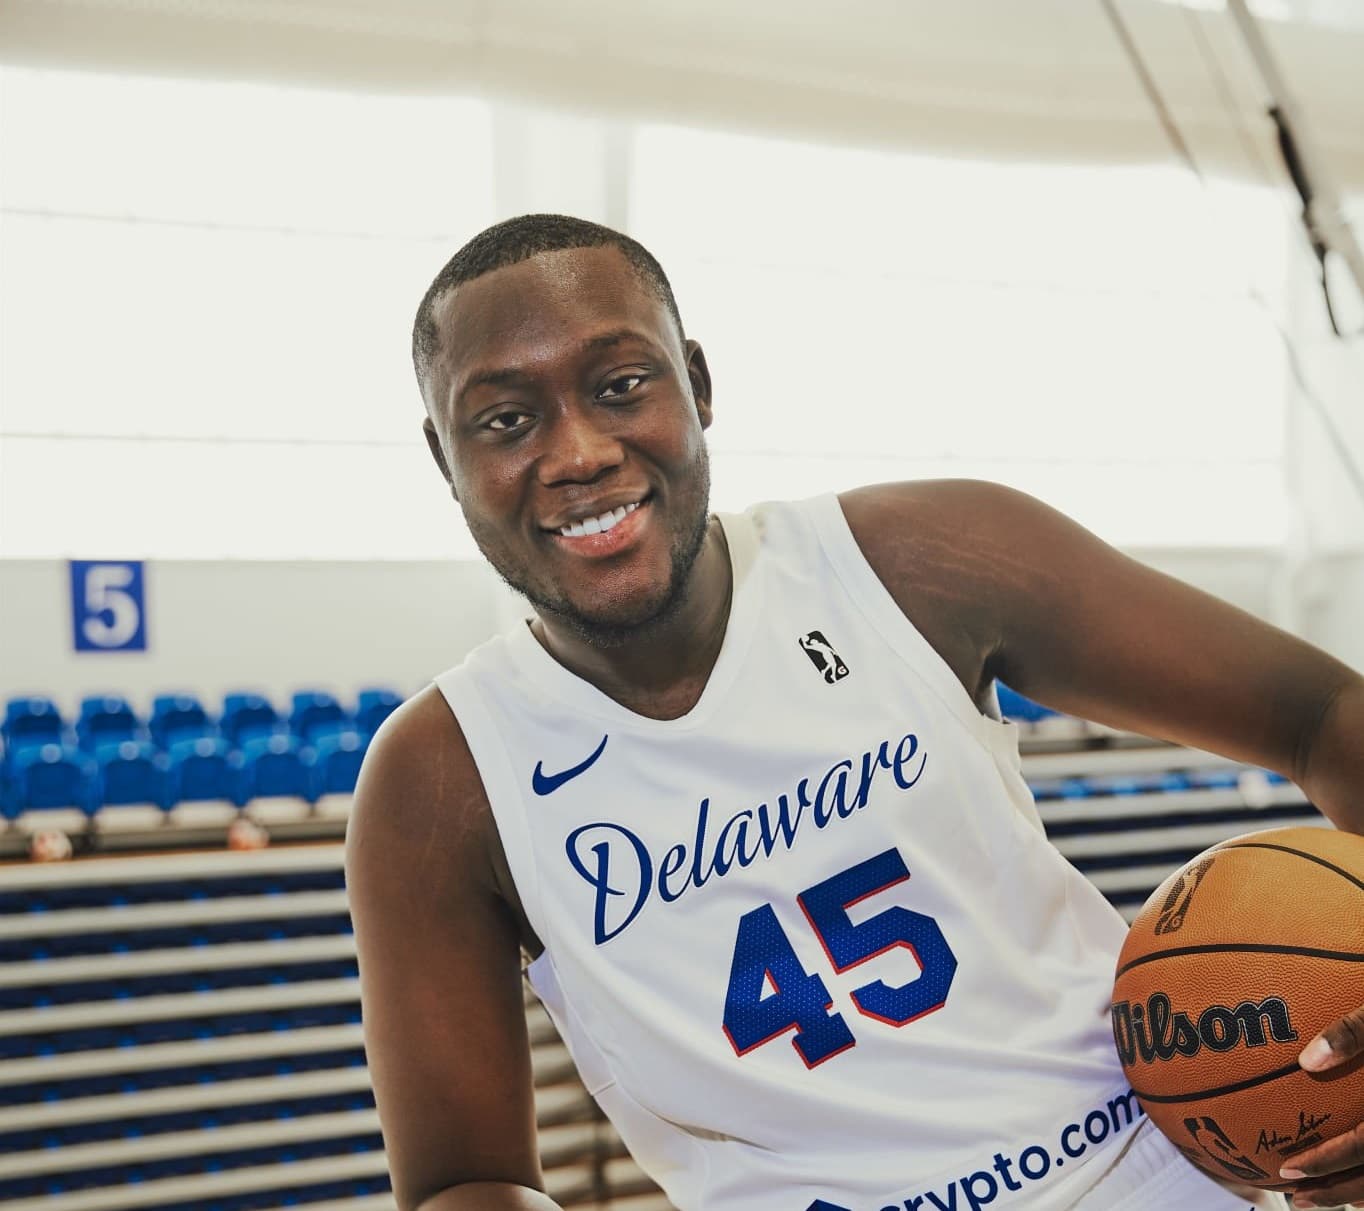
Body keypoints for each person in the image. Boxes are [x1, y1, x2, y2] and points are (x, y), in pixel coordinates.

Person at [343, 213, 1364, 1211]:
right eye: (506, 420)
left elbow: (1323, 714)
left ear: (694, 384)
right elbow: (464, 1179)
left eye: (618, 385)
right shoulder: (438, 782)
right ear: (446, 459)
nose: (576, 452)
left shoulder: (923, 560)